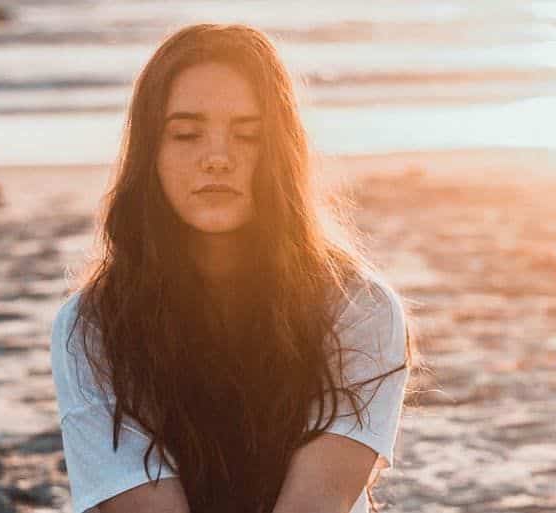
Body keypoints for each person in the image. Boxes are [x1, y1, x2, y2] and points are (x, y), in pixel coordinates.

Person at [50, 23, 414, 513]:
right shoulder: (90, 326)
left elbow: (314, 505)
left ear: (282, 153)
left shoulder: (360, 307)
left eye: (248, 136)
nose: (217, 158)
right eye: (186, 134)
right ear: (149, 153)